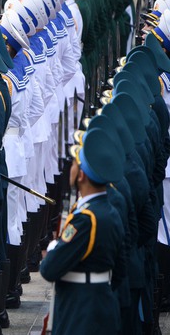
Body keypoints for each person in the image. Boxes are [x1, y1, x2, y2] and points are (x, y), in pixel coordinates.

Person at [40, 127, 126, 334]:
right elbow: (120, 270)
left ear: (81, 175)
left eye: (74, 164)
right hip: (97, 304)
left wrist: (54, 249)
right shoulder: (108, 210)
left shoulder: (87, 219)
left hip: (81, 312)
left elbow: (49, 269)